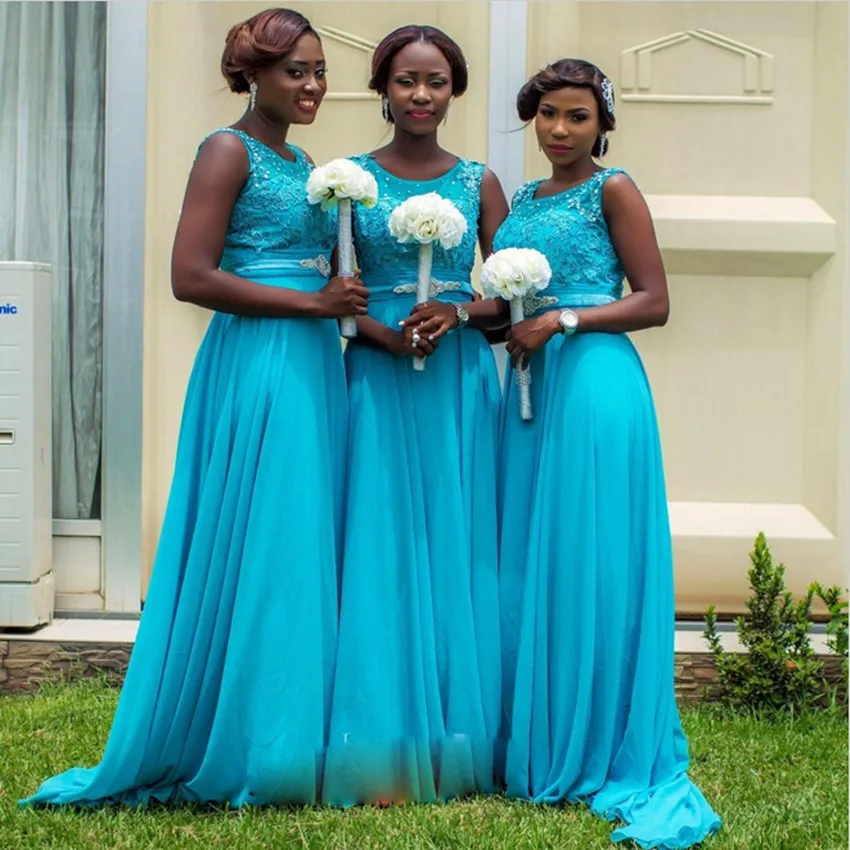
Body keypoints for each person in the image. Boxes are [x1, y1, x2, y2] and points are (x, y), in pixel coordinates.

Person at [22, 8, 367, 808]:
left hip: (313, 361)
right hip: (262, 358)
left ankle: (287, 729)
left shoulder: (303, 160)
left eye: (320, 71)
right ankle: (245, 741)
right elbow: (190, 275)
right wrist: (313, 306)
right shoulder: (226, 149)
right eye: (296, 72)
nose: (314, 85)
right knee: (263, 530)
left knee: (295, 535)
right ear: (252, 75)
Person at [495, 59, 721, 846]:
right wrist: (455, 316)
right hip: (531, 386)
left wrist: (560, 322)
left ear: (603, 124)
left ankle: (599, 736)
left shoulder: (613, 189)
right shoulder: (524, 198)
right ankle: (539, 728)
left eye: (577, 116)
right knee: (537, 553)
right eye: (548, 114)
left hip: (594, 382)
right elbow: (507, 304)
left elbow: (654, 301)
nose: (559, 130)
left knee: (593, 553)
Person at [323, 25, 509, 806]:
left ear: (455, 91)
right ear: (383, 90)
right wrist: (383, 336)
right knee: (380, 538)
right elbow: (331, 291)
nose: (422, 95)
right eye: (406, 80)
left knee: (456, 540)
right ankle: (377, 739)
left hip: (457, 382)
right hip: (376, 373)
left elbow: (515, 298)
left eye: (436, 81)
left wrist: (459, 315)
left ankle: (461, 735)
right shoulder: (349, 182)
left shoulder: (479, 181)